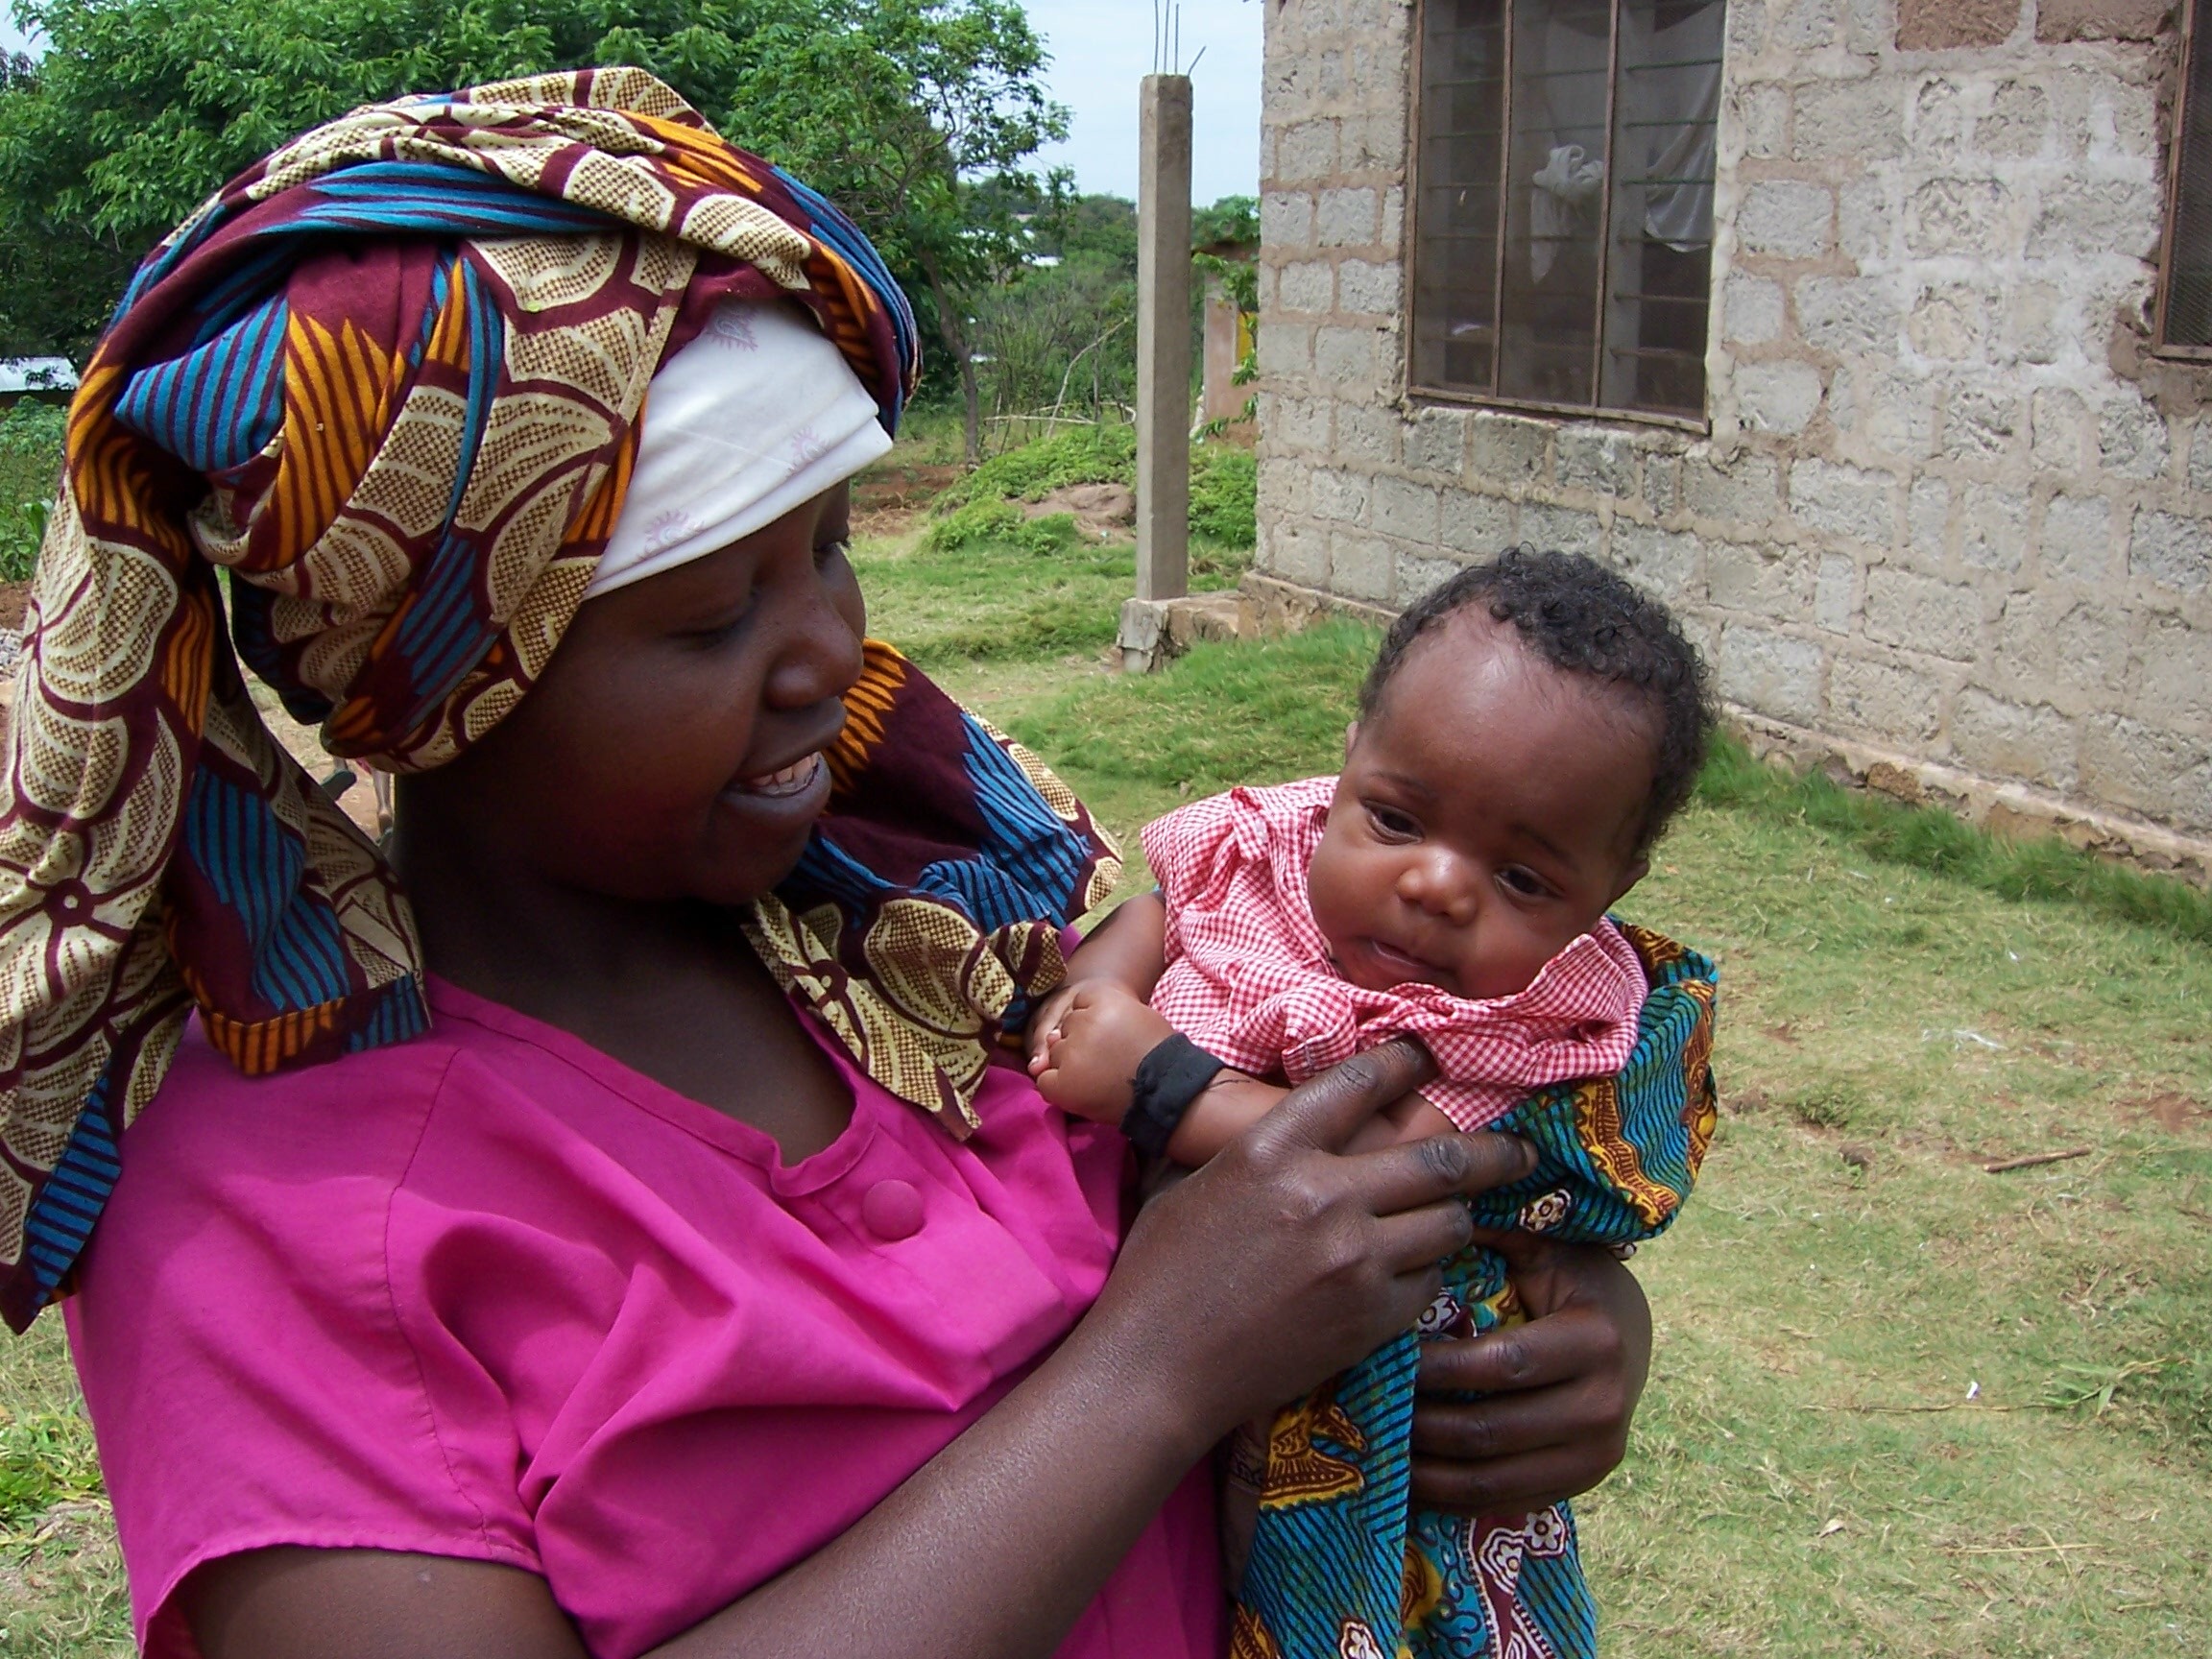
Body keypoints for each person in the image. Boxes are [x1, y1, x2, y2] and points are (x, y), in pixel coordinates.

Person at [0, 72, 1659, 1659]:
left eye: (829, 549)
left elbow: (1392, 1133)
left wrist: (1571, 1331)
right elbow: (1198, 1305)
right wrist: (1151, 1365)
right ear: (442, 679)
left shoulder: (930, 927)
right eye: (711, 615)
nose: (828, 649)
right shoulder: (275, 1209)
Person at [1027, 550, 1720, 1659]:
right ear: (1350, 760)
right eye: (1396, 819)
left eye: (1525, 880)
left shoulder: (1558, 1013)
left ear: (1610, 893)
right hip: (1128, 1432)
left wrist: (1168, 1087)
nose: (1438, 886)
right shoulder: (1258, 855)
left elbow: (1397, 1181)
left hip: (1388, 1477)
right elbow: (1112, 965)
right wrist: (1105, 988)